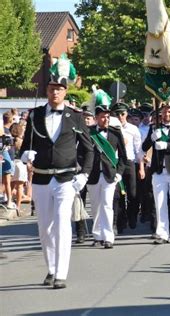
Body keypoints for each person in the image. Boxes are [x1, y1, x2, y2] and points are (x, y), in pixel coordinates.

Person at [19, 72, 94, 289]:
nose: (55, 93)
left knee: (62, 223)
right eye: (51, 89)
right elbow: (25, 146)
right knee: (44, 227)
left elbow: (89, 150)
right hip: (41, 177)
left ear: (65, 92)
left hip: (65, 178)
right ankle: (51, 268)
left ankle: (61, 273)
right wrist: (25, 156)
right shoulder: (35, 115)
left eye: (59, 89)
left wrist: (84, 174)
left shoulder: (76, 116)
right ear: (47, 91)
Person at [142, 102, 170, 244]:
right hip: (158, 171)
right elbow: (144, 147)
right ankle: (162, 233)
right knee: (160, 203)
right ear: (161, 113)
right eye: (164, 112)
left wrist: (167, 145)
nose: (167, 115)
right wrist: (151, 138)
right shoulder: (154, 127)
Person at [87, 100, 127, 249]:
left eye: (108, 117)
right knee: (96, 206)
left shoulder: (116, 133)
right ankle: (97, 235)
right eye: (102, 117)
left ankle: (108, 237)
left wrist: (120, 173)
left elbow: (123, 156)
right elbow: (81, 154)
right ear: (96, 117)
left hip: (110, 174)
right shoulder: (89, 132)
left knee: (107, 205)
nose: (106, 119)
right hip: (93, 174)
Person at [111, 103, 145, 230]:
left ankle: (132, 215)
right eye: (117, 114)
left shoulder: (133, 129)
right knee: (118, 194)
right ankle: (120, 220)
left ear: (127, 115)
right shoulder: (111, 128)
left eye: (123, 114)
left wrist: (141, 167)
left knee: (132, 193)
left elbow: (138, 150)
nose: (120, 116)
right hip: (115, 162)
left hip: (129, 162)